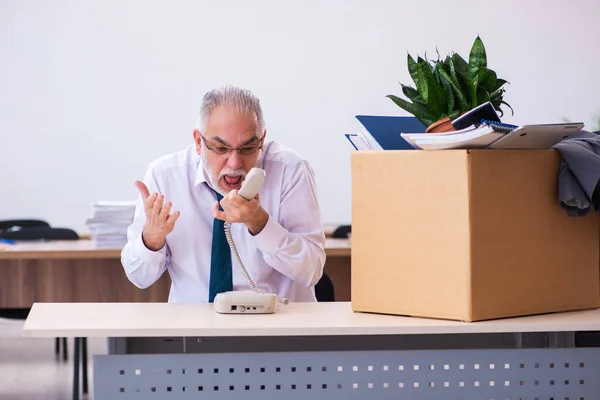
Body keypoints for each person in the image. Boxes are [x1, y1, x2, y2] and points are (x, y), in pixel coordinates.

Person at [121, 85, 326, 303]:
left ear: (262, 140)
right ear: (199, 142)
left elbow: (311, 271)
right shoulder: (164, 176)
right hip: (194, 329)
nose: (235, 162)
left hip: (277, 326)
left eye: (248, 148)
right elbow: (139, 277)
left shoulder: (290, 169)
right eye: (221, 149)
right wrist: (151, 239)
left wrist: (260, 224)